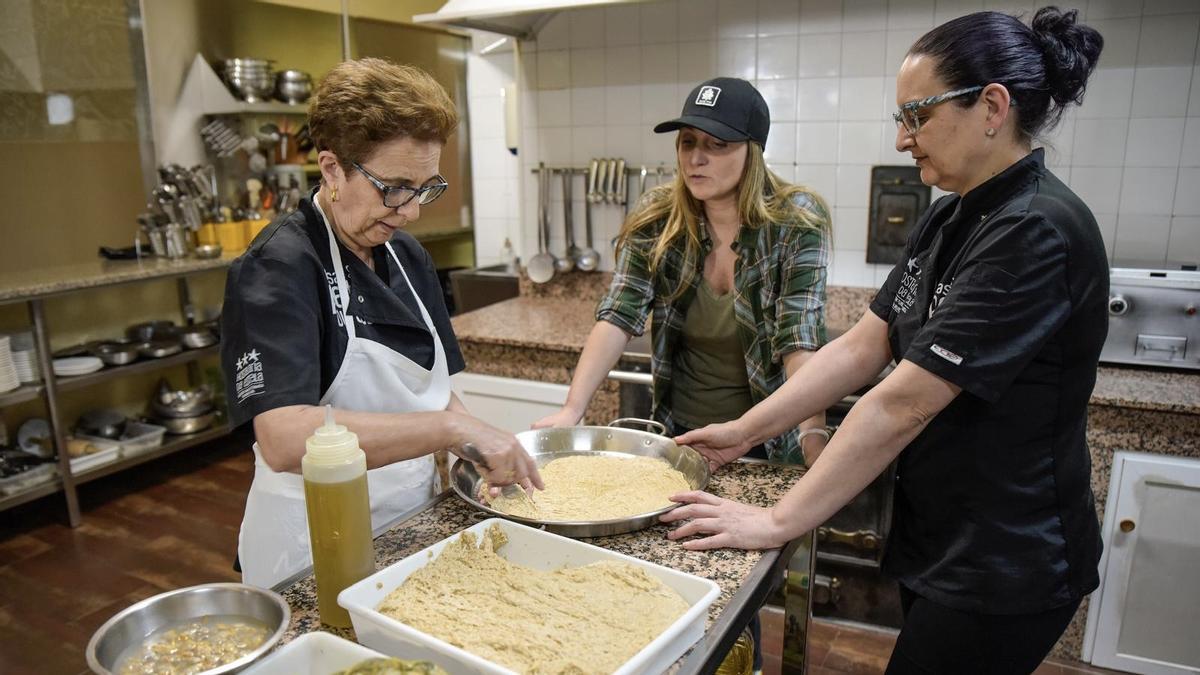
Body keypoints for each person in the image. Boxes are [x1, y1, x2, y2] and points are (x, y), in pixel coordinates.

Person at [664, 8, 1106, 674]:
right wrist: (744, 430)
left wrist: (778, 520)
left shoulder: (1035, 229)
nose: (904, 140)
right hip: (946, 533)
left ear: (992, 105)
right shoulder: (954, 213)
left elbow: (903, 402)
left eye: (918, 116)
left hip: (1005, 558)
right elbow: (864, 347)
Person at [220, 58, 541, 589]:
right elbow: (282, 437)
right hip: (311, 544)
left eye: (424, 187)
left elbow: (433, 393)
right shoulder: (278, 267)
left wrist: (479, 445)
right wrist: (450, 429)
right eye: (394, 186)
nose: (411, 210)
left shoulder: (407, 255)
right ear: (331, 170)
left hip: (405, 524)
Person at [534, 77, 833, 468]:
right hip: (680, 437)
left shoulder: (796, 222)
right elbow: (619, 315)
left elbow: (800, 337)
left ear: (753, 151)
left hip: (767, 440)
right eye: (688, 142)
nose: (696, 158)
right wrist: (572, 409)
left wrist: (812, 434)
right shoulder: (658, 218)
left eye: (717, 144)